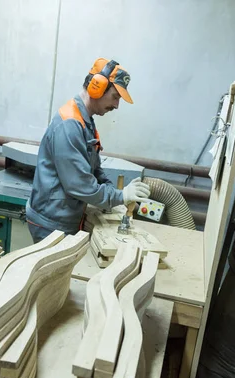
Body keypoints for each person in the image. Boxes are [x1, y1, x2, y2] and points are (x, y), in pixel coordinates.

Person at [26, 58, 150, 243]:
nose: (116, 106)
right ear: (96, 87)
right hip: (51, 223)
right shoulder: (70, 125)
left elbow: (94, 169)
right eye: (115, 97)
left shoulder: (85, 121)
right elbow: (79, 184)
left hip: (65, 217)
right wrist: (120, 196)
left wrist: (113, 196)